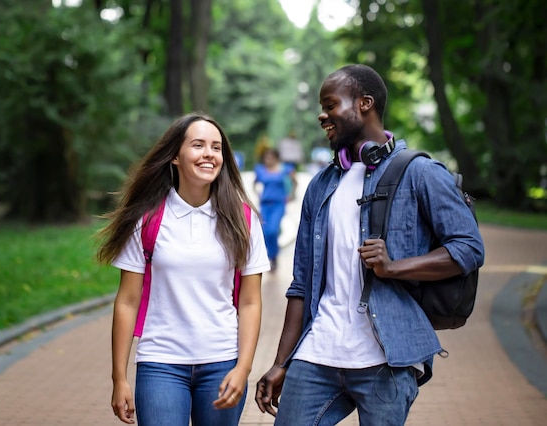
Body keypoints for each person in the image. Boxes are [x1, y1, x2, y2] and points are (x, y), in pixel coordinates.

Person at [254, 64, 485, 425]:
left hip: (387, 359)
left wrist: (393, 268)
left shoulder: (420, 173)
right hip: (318, 353)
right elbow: (301, 284)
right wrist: (281, 362)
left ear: (364, 103)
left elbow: (469, 248)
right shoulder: (321, 185)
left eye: (330, 105)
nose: (322, 114)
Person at [96, 112, 270, 425]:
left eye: (216, 148)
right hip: (160, 362)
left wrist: (243, 368)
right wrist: (118, 377)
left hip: (222, 362)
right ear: (175, 156)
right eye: (198, 145)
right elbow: (127, 301)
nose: (209, 154)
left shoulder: (244, 221)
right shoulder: (147, 221)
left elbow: (250, 301)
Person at [253, 147, 297, 271]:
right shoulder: (261, 170)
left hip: (278, 204)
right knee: (264, 231)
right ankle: (272, 255)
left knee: (272, 230)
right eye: (266, 157)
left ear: (276, 158)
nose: (268, 160)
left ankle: (273, 256)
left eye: (271, 157)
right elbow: (255, 183)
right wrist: (258, 194)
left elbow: (295, 181)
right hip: (265, 204)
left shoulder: (284, 169)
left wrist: (291, 194)